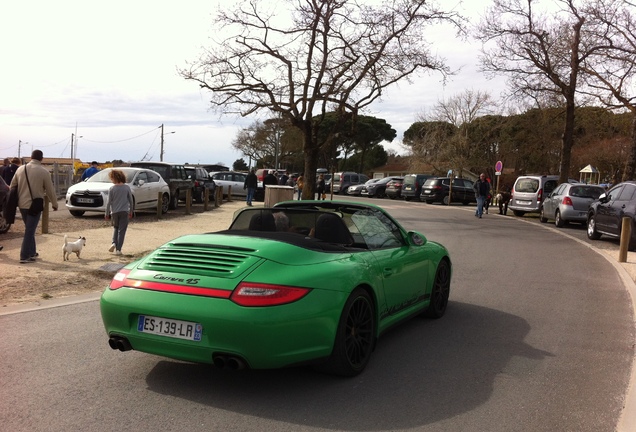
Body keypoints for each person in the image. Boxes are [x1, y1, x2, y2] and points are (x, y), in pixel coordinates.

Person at [10, 149, 58, 263]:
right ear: (41, 158)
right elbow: (50, 190)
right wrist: (54, 204)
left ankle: (32, 252)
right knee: (30, 231)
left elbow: (12, 185)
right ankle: (24, 255)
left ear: (31, 157)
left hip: (22, 204)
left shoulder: (20, 169)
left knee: (29, 228)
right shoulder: (44, 172)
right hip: (35, 205)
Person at [105, 169, 134, 256]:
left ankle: (114, 242)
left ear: (114, 178)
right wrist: (131, 211)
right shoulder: (127, 188)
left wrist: (106, 213)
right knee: (122, 231)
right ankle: (118, 249)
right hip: (124, 211)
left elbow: (108, 202)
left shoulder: (112, 188)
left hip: (114, 212)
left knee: (115, 228)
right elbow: (131, 201)